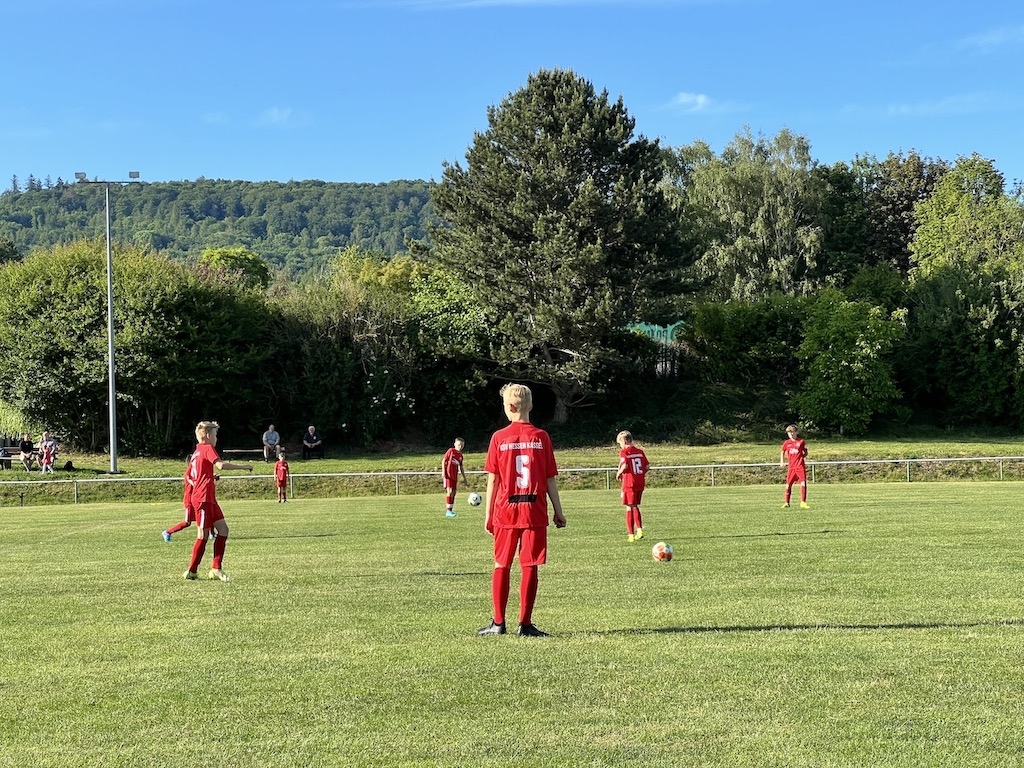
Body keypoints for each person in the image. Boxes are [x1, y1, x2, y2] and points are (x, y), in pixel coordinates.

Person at [478, 383, 566, 638]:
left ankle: (498, 622)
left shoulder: (499, 438)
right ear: (531, 406)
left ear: (510, 407)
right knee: (530, 565)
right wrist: (558, 511)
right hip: (534, 510)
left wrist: (488, 514)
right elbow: (550, 479)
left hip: (505, 510)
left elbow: (493, 480)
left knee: (501, 564)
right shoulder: (541, 437)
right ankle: (525, 624)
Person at [183, 420, 253, 582]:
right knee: (203, 535)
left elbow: (192, 475)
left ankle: (216, 569)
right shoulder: (207, 448)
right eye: (215, 434)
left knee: (223, 530)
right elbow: (220, 465)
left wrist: (208, 478)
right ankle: (192, 570)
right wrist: (243, 467)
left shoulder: (196, 452)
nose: (216, 438)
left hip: (208, 498)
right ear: (207, 435)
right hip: (203, 498)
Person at [615, 430, 650, 542]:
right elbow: (647, 467)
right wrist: (640, 475)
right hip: (640, 482)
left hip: (629, 483)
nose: (620, 446)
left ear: (624, 441)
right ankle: (639, 529)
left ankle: (631, 534)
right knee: (635, 505)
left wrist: (619, 473)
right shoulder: (640, 451)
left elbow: (625, 465)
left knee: (629, 507)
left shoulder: (624, 452)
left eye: (620, 443)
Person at [781, 424, 810, 509]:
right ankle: (786, 502)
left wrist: (801, 457)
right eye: (789, 433)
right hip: (791, 467)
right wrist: (782, 462)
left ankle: (803, 502)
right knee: (788, 484)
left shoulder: (801, 441)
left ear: (796, 432)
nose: (791, 434)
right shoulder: (786, 443)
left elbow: (806, 452)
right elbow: (782, 452)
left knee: (803, 483)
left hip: (800, 466)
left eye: (792, 432)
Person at [442, 437, 469, 518]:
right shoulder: (451, 451)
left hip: (455, 475)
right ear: (455, 444)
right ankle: (448, 511)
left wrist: (464, 478)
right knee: (450, 491)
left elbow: (461, 467)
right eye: (459, 445)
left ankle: (450, 510)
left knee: (454, 493)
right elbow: (444, 460)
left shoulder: (460, 455)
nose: (460, 447)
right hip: (448, 474)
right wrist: (443, 472)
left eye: (462, 445)